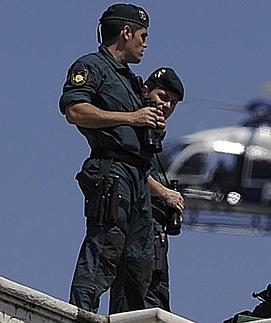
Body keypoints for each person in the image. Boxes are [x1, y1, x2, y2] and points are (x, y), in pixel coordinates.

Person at [58, 4, 181, 313]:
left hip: (138, 177)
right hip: (112, 170)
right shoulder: (93, 67)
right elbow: (75, 111)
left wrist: (150, 122)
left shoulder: (130, 81)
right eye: (142, 35)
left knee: (139, 263)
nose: (145, 43)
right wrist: (132, 117)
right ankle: (82, 314)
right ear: (126, 33)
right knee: (105, 247)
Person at [109, 67, 185, 313]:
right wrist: (165, 194)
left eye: (172, 103)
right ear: (146, 91)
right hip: (139, 226)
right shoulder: (134, 124)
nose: (166, 106)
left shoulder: (153, 135)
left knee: (156, 298)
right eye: (162, 97)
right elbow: (134, 171)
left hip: (155, 233)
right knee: (133, 299)